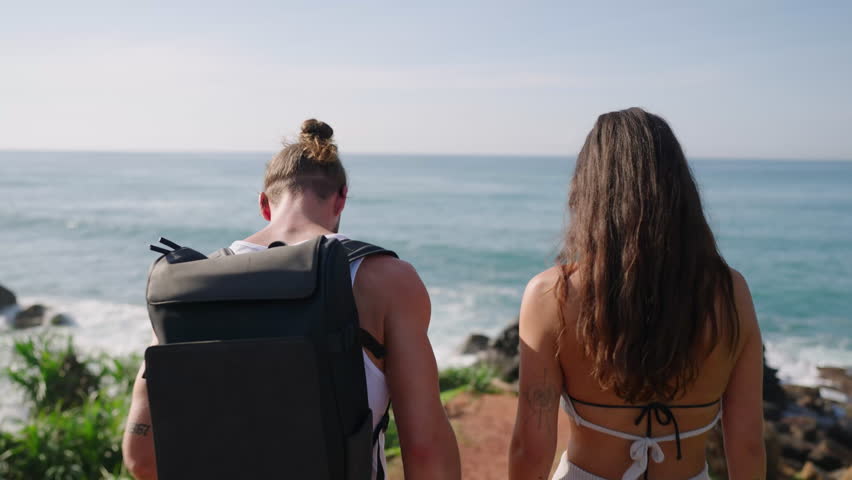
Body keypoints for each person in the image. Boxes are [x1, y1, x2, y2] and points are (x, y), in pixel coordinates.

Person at [123, 119, 462, 480]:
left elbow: (142, 457)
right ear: (341, 196)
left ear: (264, 204)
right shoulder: (385, 279)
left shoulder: (190, 285)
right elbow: (425, 450)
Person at [509, 108, 765, 480]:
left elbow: (531, 447)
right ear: (680, 190)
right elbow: (748, 445)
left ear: (589, 187)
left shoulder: (553, 295)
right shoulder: (730, 293)